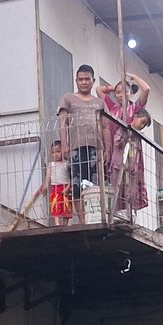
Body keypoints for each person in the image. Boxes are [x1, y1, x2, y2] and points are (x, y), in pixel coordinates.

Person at [57, 65, 102, 223]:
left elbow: (105, 126)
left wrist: (106, 147)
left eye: (87, 79)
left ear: (93, 81)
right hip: (76, 147)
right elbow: (62, 121)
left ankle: (92, 216)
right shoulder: (68, 98)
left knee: (94, 184)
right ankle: (82, 218)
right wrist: (64, 144)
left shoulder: (99, 102)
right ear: (76, 81)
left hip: (96, 147)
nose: (84, 82)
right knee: (76, 184)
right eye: (80, 79)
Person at [109, 110, 151, 215]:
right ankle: (115, 215)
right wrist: (127, 137)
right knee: (116, 192)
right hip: (118, 165)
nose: (142, 126)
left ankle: (129, 215)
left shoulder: (138, 137)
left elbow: (137, 153)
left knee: (131, 194)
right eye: (142, 122)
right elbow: (117, 144)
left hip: (132, 169)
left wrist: (136, 168)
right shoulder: (123, 129)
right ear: (135, 117)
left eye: (144, 125)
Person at [42, 139, 72, 226]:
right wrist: (45, 186)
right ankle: (57, 223)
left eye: (58, 151)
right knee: (56, 205)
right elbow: (48, 177)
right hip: (55, 188)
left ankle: (65, 224)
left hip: (65, 186)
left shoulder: (66, 164)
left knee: (66, 205)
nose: (56, 154)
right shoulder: (51, 165)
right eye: (54, 152)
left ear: (63, 151)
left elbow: (70, 177)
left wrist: (68, 187)